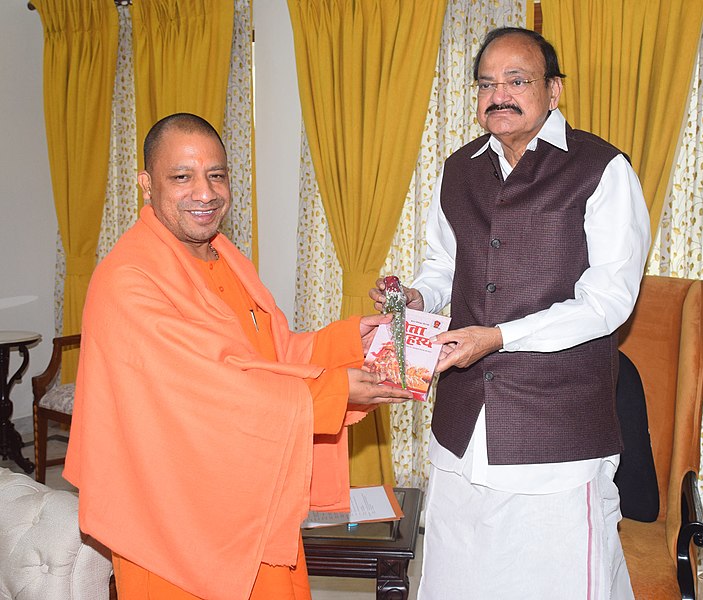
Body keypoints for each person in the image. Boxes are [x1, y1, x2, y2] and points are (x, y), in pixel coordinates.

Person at [63, 112, 412, 600]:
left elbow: (272, 353)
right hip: (173, 516)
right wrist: (334, 391)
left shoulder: (223, 254)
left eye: (216, 175)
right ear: (146, 183)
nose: (204, 193)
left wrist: (356, 339)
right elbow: (209, 390)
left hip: (247, 495)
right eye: (181, 177)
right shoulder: (130, 278)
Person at [370, 27, 651, 599]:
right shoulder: (458, 168)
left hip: (558, 428)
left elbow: (608, 302)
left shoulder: (603, 169)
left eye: (516, 80)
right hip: (464, 421)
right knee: (460, 573)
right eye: (486, 83)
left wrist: (499, 337)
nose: (499, 94)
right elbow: (442, 266)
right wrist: (415, 300)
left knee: (558, 580)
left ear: (554, 90)